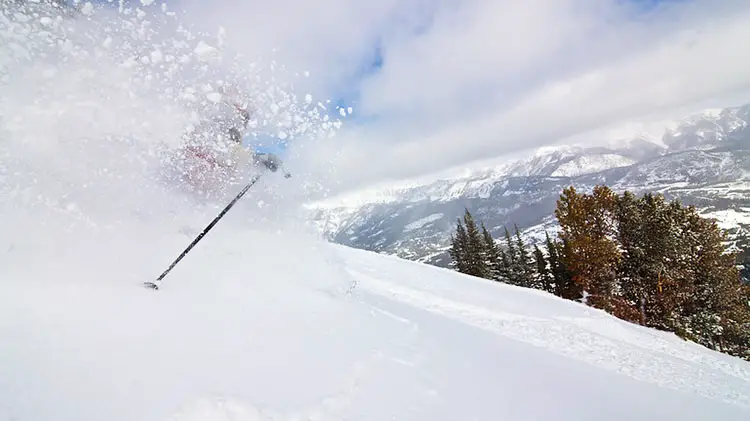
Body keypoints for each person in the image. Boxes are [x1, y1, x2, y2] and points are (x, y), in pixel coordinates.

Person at [177, 94, 290, 193]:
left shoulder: (221, 121)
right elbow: (223, 151)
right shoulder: (220, 121)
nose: (247, 119)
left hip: (194, 189)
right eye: (246, 114)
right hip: (189, 185)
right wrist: (257, 158)